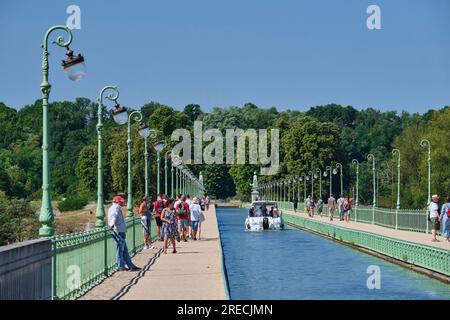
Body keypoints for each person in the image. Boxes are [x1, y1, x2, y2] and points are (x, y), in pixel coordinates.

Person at [108, 196, 141, 271]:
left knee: (124, 249)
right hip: (118, 231)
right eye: (121, 202)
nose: (122, 203)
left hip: (119, 230)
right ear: (117, 201)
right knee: (120, 249)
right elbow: (114, 216)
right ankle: (121, 266)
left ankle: (130, 266)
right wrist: (112, 224)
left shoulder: (113, 207)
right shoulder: (115, 208)